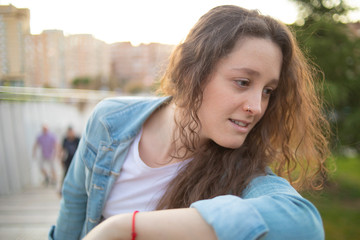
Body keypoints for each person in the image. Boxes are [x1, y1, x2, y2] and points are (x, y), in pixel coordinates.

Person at [49, 5, 330, 240]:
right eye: (242, 82)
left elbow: (303, 225)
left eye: (267, 91)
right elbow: (69, 222)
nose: (256, 107)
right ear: (190, 71)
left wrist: (123, 227)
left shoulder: (242, 174)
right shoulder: (110, 121)